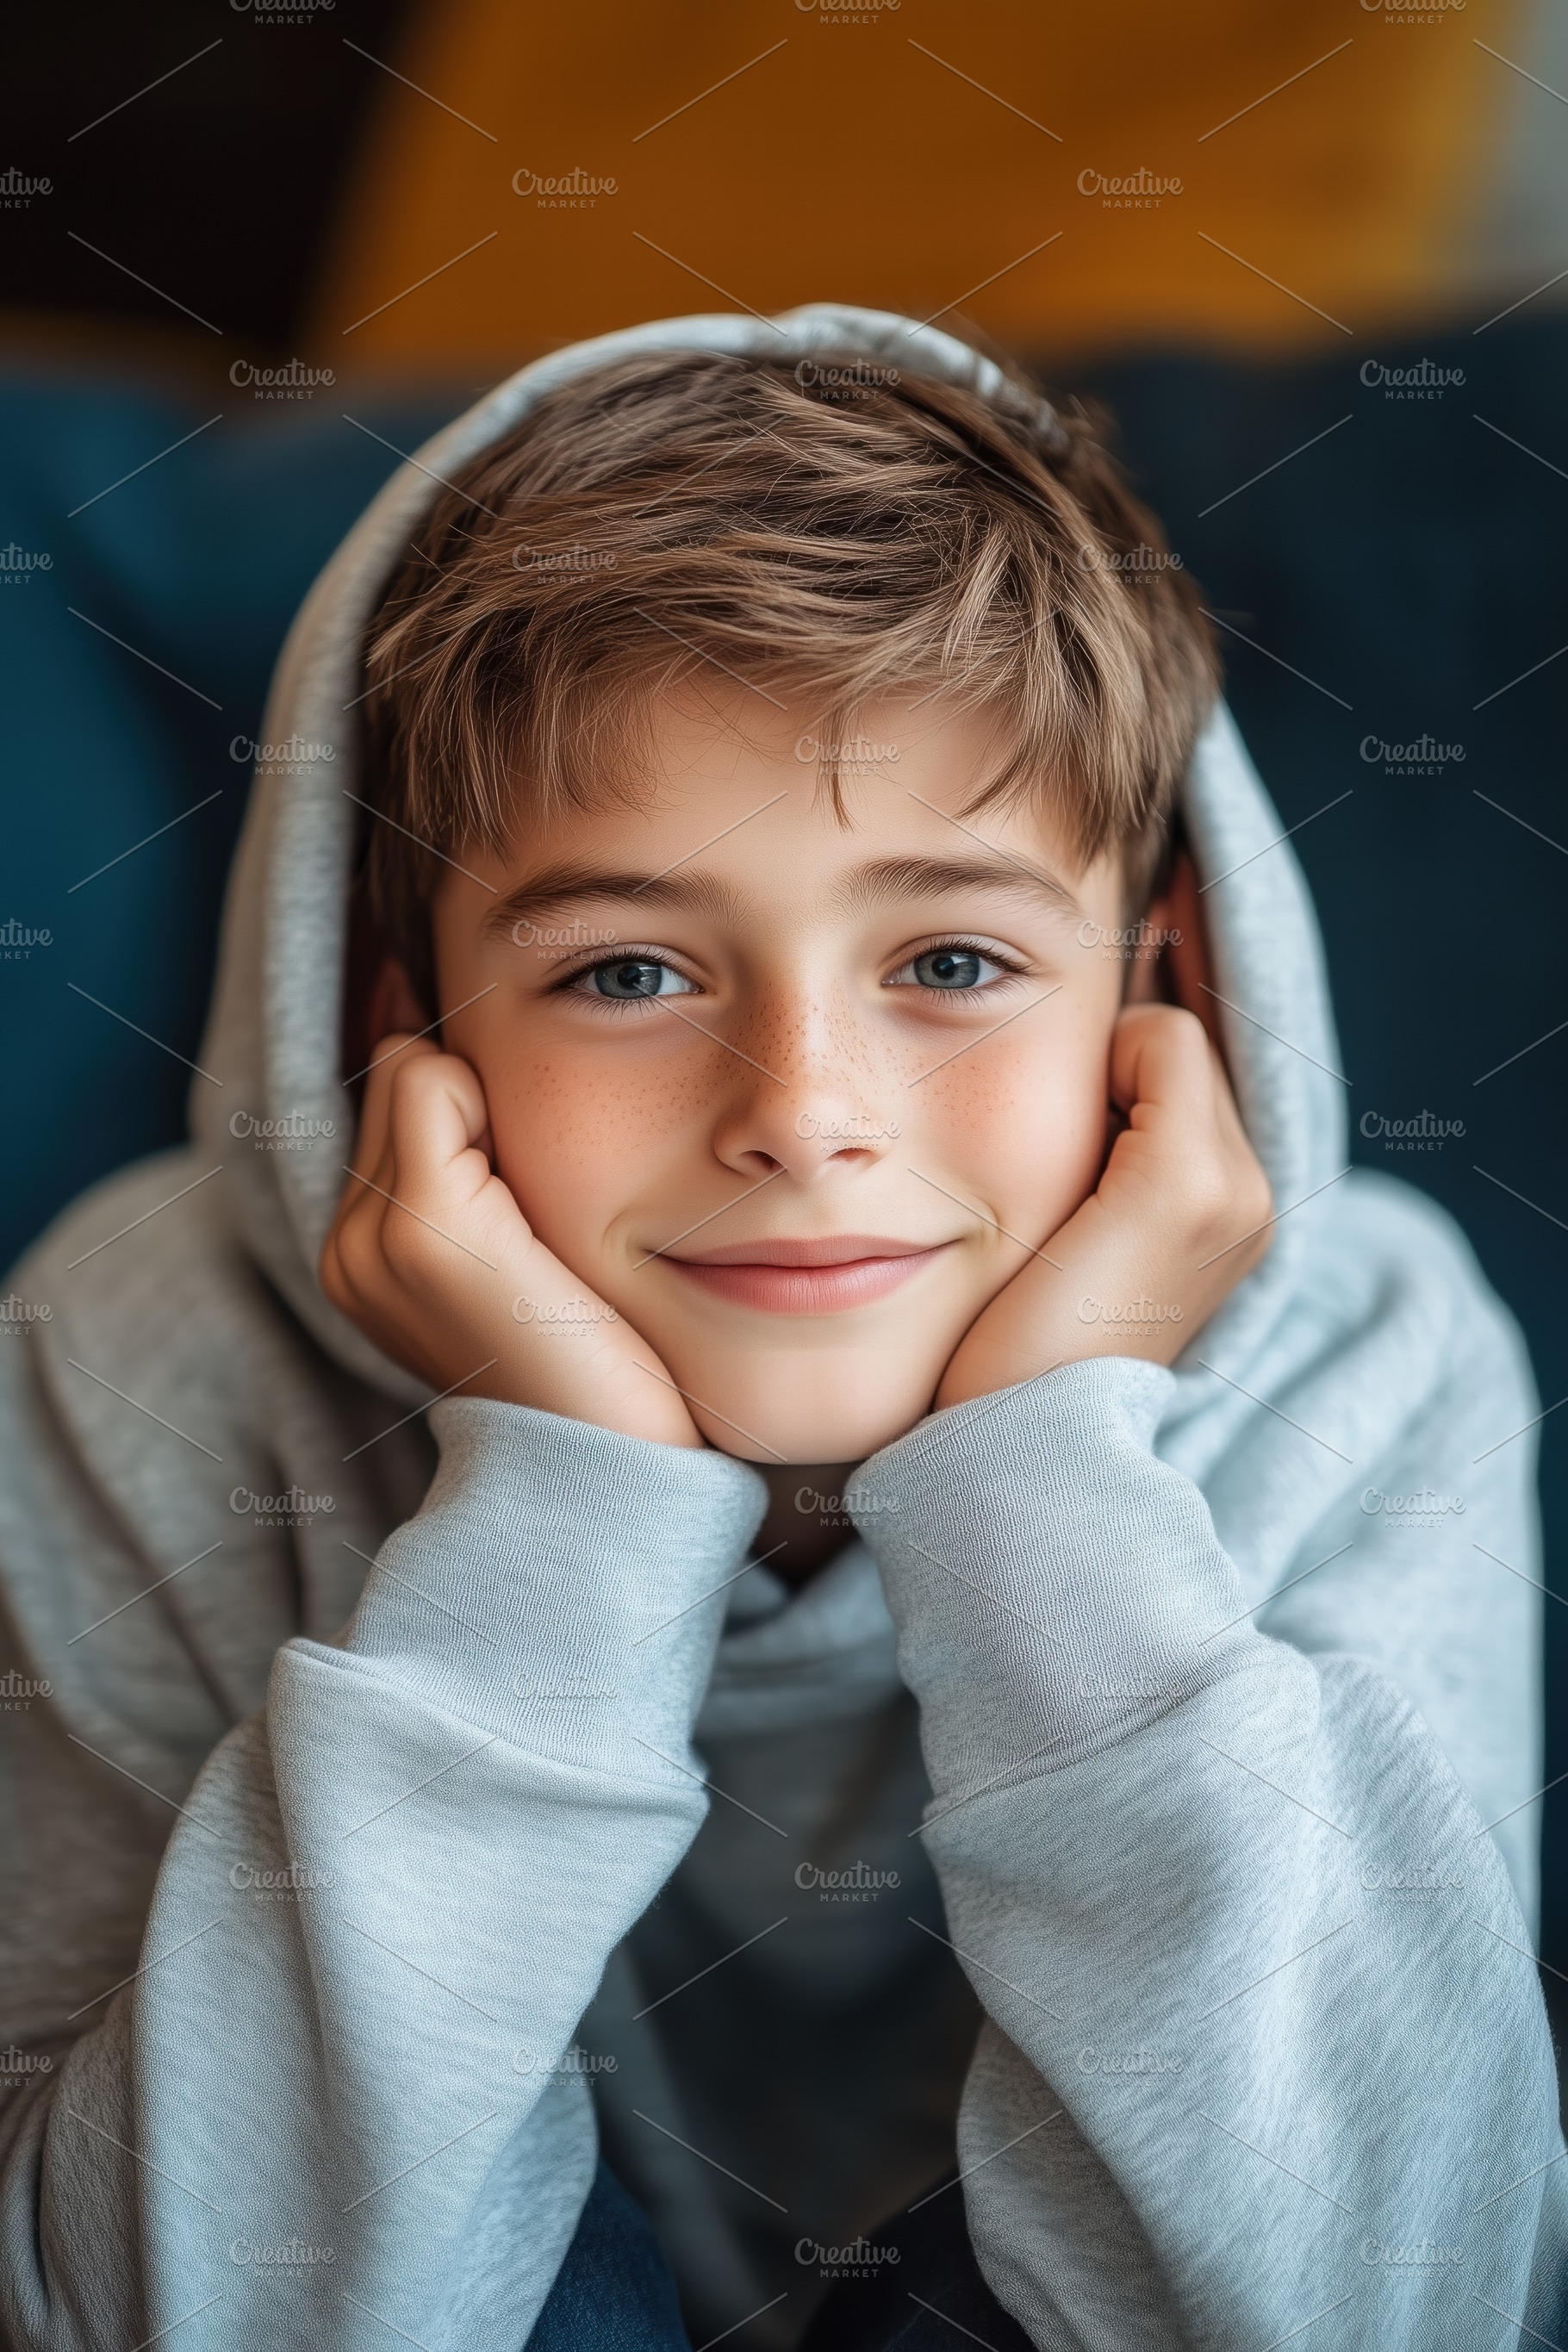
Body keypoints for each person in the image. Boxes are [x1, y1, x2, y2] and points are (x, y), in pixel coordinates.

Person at [0, 306, 1559, 2352]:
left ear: (1157, 987)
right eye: (629, 973)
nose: (802, 1110)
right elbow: (145, 2317)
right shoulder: (137, 1349)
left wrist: (1049, 1475)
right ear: (406, 1027)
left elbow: (1402, 2302)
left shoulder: (1363, 1354)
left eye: (950, 955)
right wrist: (557, 1518)